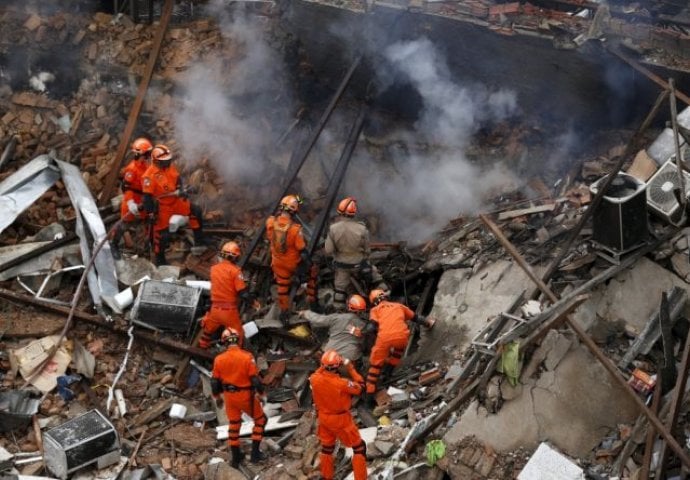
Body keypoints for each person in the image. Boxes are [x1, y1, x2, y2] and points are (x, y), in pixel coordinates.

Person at [211, 328, 267, 468]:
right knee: (261, 420)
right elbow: (255, 380)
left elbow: (214, 381)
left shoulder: (219, 359)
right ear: (238, 340)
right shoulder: (247, 356)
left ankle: (236, 457)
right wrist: (261, 394)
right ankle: (255, 454)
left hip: (229, 397)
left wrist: (217, 397)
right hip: (245, 396)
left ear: (224, 342)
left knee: (234, 425)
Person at [141, 144, 205, 265]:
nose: (168, 162)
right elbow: (147, 197)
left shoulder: (169, 167)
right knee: (162, 234)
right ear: (156, 161)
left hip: (175, 201)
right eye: (165, 161)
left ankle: (199, 242)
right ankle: (160, 259)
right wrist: (150, 213)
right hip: (162, 206)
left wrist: (181, 189)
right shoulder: (149, 176)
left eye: (169, 160)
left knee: (196, 211)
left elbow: (178, 179)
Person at [364, 289, 434, 399]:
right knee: (397, 351)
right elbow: (416, 318)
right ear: (385, 297)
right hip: (402, 336)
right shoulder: (398, 306)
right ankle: (388, 373)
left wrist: (365, 334)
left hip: (384, 338)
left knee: (375, 365)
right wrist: (428, 323)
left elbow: (371, 327)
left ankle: (369, 395)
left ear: (374, 302)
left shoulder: (375, 310)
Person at [309, 350, 367, 480]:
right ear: (337, 366)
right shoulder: (342, 384)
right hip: (341, 420)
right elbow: (362, 387)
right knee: (359, 448)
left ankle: (327, 476)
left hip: (323, 418)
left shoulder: (314, 378)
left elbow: (320, 370)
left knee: (327, 448)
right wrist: (351, 368)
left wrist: (326, 363)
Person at [325, 197, 388, 311]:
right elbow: (367, 250)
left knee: (339, 289)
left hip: (342, 266)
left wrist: (338, 254)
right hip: (359, 265)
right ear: (353, 213)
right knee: (377, 279)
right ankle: (386, 299)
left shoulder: (333, 229)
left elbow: (328, 250)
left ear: (340, 212)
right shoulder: (361, 228)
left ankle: (339, 312)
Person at [198, 241, 255, 349]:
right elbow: (243, 293)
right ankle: (236, 355)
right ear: (234, 257)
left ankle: (202, 348)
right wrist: (253, 302)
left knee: (207, 331)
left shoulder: (214, 269)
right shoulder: (236, 271)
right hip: (228, 312)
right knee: (238, 335)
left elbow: (218, 285)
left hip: (214, 309)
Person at [265, 194, 310, 321]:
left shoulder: (270, 222)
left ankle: (284, 311)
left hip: (277, 264)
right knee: (310, 268)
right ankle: (302, 283)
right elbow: (302, 249)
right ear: (294, 211)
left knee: (282, 289)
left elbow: (269, 237)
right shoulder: (295, 230)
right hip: (292, 265)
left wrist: (297, 199)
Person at [111, 137, 153, 258]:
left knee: (147, 222)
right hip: (133, 199)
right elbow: (127, 187)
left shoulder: (147, 165)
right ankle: (114, 244)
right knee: (124, 225)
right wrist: (130, 202)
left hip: (144, 199)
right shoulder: (132, 169)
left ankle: (147, 247)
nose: (148, 156)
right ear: (140, 154)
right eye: (147, 153)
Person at [298, 294, 368, 364]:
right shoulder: (364, 325)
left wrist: (305, 313)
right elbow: (364, 344)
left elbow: (318, 320)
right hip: (351, 358)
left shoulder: (337, 318)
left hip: (332, 357)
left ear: (348, 306)